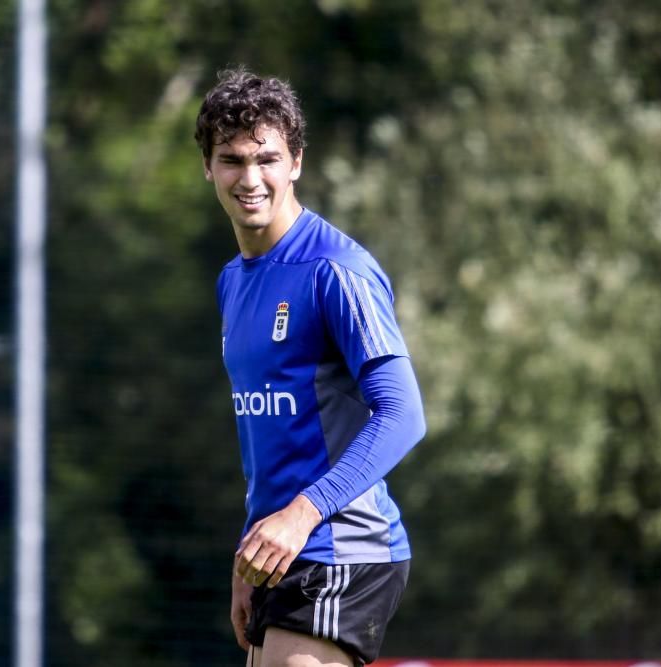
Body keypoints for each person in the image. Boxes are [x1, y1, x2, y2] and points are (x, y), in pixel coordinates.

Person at [194, 66, 426, 667]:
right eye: (232, 160)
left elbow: (403, 414)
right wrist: (250, 556)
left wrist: (302, 515)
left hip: (345, 548)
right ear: (208, 167)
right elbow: (269, 435)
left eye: (267, 159)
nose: (251, 178)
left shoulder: (335, 271)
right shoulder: (232, 282)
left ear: (296, 161)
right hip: (282, 554)